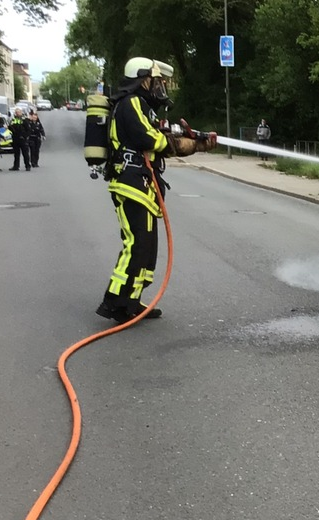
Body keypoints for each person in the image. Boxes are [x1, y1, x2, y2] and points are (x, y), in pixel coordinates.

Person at [94, 57, 217, 324]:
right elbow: (149, 139)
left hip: (143, 184)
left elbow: (156, 140)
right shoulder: (132, 103)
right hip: (130, 183)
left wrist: (194, 141)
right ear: (144, 79)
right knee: (136, 244)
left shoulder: (143, 108)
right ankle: (115, 301)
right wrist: (179, 143)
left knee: (147, 248)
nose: (160, 86)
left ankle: (132, 301)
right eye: (157, 81)